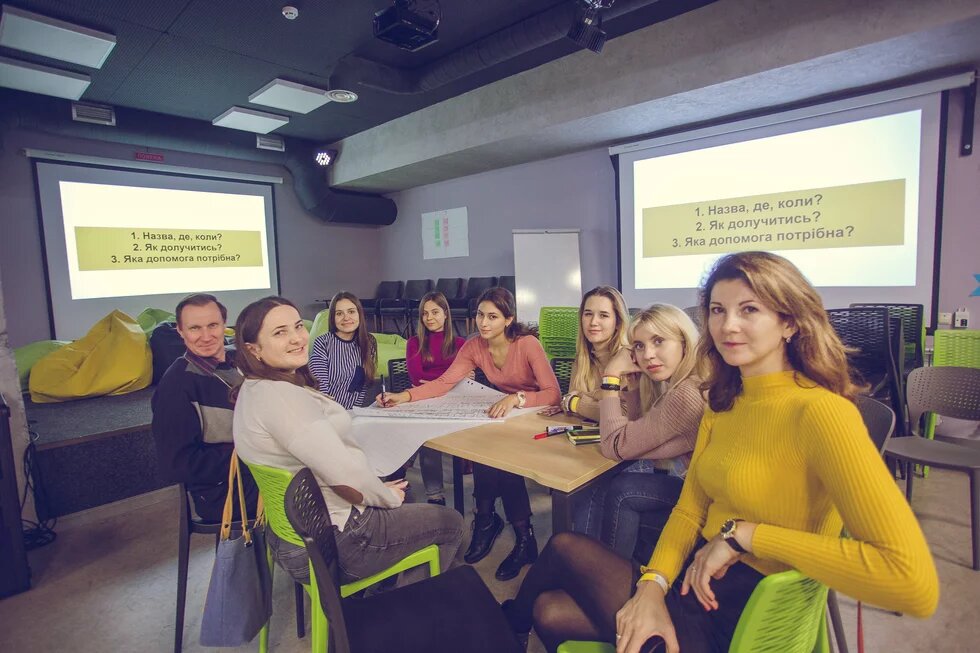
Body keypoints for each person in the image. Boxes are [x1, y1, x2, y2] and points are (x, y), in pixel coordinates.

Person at [501, 251, 939, 653]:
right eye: (717, 310)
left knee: (562, 549)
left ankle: (506, 627)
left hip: (746, 609)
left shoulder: (823, 413)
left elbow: (911, 582)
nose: (728, 325)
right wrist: (652, 586)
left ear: (790, 322)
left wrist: (744, 536)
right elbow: (689, 511)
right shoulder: (725, 400)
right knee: (549, 610)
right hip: (698, 580)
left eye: (749, 309)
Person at [231, 296, 464, 586]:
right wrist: (382, 496)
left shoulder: (254, 389)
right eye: (280, 333)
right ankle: (401, 612)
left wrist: (374, 489)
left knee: (407, 496)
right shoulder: (284, 398)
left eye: (296, 327)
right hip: (336, 542)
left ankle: (396, 593)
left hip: (292, 534)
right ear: (254, 349)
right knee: (452, 523)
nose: (296, 338)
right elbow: (347, 480)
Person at [379, 287, 561, 580]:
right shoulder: (475, 346)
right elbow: (444, 382)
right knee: (485, 451)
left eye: (493, 316)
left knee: (504, 461)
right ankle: (486, 518)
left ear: (509, 318)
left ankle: (523, 537)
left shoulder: (527, 344)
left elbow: (553, 394)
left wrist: (517, 398)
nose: (484, 323)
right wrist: (404, 396)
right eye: (480, 315)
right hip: (507, 416)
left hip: (536, 414)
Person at [576, 304, 705, 560]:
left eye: (659, 341)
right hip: (698, 490)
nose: (647, 355)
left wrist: (611, 376)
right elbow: (639, 439)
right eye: (639, 346)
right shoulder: (687, 381)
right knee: (618, 486)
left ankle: (609, 571)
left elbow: (615, 447)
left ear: (684, 342)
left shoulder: (686, 394)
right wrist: (633, 390)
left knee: (623, 490)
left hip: (703, 503)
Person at [152, 293, 257, 522]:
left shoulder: (239, 362)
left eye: (213, 325)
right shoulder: (176, 385)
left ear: (224, 325)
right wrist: (253, 457)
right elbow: (176, 464)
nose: (206, 336)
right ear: (180, 331)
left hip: (255, 470)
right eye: (195, 328)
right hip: (222, 490)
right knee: (310, 493)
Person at [405, 291, 467, 505]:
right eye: (424, 313)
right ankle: (435, 496)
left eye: (434, 312)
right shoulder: (414, 342)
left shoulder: (460, 344)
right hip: (421, 401)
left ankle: (399, 472)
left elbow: (464, 377)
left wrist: (440, 382)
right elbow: (416, 375)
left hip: (453, 403)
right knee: (425, 435)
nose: (429, 317)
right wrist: (451, 379)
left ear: (446, 314)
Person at [545, 285, 630, 422]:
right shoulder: (582, 359)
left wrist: (576, 402)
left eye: (603, 315)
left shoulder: (629, 360)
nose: (593, 322)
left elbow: (623, 414)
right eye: (588, 314)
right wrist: (597, 399)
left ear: (618, 323)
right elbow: (569, 403)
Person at [308, 291, 378, 409]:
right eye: (339, 313)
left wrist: (354, 412)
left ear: (359, 314)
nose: (346, 318)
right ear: (333, 318)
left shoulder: (368, 341)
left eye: (351, 311)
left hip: (354, 412)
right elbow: (320, 390)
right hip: (326, 411)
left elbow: (362, 386)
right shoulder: (323, 343)